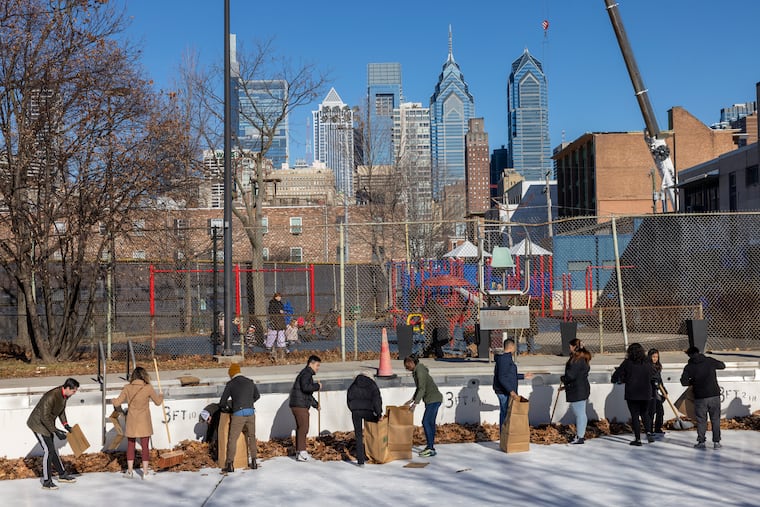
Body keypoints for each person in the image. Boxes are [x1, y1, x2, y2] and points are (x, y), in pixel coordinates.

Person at [27, 378, 80, 490]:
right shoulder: (51, 396)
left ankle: (62, 474)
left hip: (47, 424)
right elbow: (44, 417)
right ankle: (47, 482)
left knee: (53, 450)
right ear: (67, 388)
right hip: (38, 424)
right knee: (48, 450)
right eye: (74, 391)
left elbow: (61, 410)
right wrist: (55, 431)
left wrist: (65, 425)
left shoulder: (65, 396)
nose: (74, 393)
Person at [112, 366, 164, 479]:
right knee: (145, 446)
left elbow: (116, 403)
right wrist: (161, 395)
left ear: (133, 376)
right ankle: (145, 472)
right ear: (144, 376)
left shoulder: (127, 387)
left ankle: (130, 471)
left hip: (132, 420)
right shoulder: (148, 388)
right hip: (144, 421)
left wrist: (113, 400)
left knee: (131, 446)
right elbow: (158, 402)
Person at [680, 346, 726, 449]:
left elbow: (684, 382)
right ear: (699, 352)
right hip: (714, 395)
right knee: (715, 419)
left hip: (700, 397)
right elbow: (722, 365)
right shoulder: (709, 361)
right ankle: (716, 442)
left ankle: (701, 442)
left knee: (701, 420)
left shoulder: (689, 367)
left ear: (689, 355)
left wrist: (693, 381)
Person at [219, 363, 261, 473]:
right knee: (252, 437)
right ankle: (254, 461)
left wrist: (229, 408)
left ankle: (230, 464)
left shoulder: (231, 384)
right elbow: (257, 396)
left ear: (231, 374)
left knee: (233, 438)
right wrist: (248, 403)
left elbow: (222, 402)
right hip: (251, 413)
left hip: (238, 414)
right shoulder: (250, 381)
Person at [611, 343, 656, 446]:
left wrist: (622, 379)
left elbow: (616, 376)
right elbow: (653, 374)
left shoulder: (628, 363)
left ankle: (638, 439)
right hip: (646, 392)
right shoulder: (647, 362)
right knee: (645, 413)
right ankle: (649, 432)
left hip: (633, 393)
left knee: (635, 416)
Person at [404, 355, 443, 457]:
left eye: (407, 365)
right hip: (434, 399)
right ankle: (431, 446)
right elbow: (419, 388)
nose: (406, 367)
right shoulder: (418, 370)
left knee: (425, 422)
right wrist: (412, 399)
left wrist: (415, 404)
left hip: (433, 400)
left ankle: (430, 448)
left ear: (412, 363)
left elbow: (422, 389)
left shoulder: (419, 372)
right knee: (430, 423)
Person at [493, 339, 532, 427]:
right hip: (504, 391)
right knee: (505, 413)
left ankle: (506, 433)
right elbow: (502, 377)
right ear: (511, 347)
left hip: (506, 390)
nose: (515, 348)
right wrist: (511, 391)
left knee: (507, 412)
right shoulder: (505, 359)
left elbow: (509, 374)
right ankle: (504, 433)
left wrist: (523, 376)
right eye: (514, 346)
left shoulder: (507, 358)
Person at [289, 355, 322, 462]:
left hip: (298, 404)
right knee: (304, 428)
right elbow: (306, 388)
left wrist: (316, 404)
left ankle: (299, 451)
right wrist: (317, 386)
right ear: (311, 364)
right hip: (300, 405)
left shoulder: (306, 374)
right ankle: (302, 451)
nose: (318, 368)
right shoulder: (306, 374)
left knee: (301, 428)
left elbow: (307, 394)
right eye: (317, 365)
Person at [346, 372, 383, 466]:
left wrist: (353, 409)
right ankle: (376, 452)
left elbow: (348, 399)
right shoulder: (372, 385)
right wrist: (379, 414)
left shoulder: (353, 385)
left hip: (355, 412)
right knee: (374, 428)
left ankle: (361, 461)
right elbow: (377, 400)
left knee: (358, 435)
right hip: (368, 411)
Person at [561, 339, 592, 444]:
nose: (569, 348)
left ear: (574, 347)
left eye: (570, 346)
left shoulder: (576, 360)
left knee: (580, 414)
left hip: (577, 390)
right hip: (582, 388)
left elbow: (571, 375)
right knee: (581, 412)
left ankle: (580, 436)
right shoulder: (582, 358)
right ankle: (580, 435)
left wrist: (563, 379)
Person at [647, 348, 667, 437]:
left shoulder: (658, 367)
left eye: (657, 357)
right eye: (653, 357)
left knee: (660, 411)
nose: (655, 359)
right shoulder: (647, 367)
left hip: (656, 391)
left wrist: (664, 391)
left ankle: (658, 428)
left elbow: (660, 380)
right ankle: (649, 430)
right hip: (650, 392)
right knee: (651, 412)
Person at [266, 293, 287, 361]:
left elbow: (282, 310)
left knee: (281, 333)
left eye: (280, 296)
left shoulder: (280, 303)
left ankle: (281, 350)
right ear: (275, 297)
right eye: (278, 296)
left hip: (280, 320)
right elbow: (271, 311)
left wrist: (282, 312)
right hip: (275, 320)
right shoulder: (272, 303)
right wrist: (278, 311)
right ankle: (269, 348)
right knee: (273, 333)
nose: (279, 298)